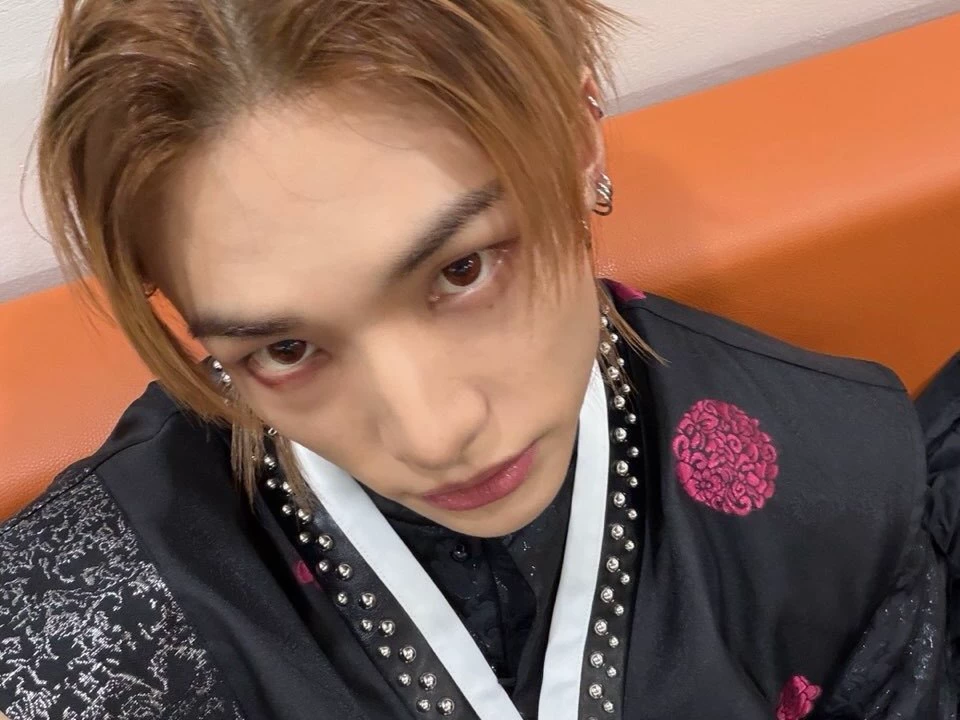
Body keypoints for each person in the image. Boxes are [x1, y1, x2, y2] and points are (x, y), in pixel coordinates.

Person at [1, 1, 958, 718]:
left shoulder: (837, 485)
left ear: (577, 136)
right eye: (285, 349)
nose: (432, 433)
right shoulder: (72, 635)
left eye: (463, 269)